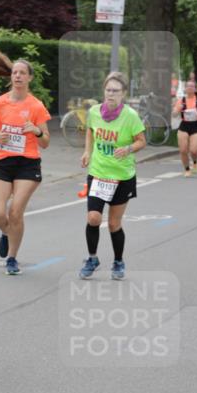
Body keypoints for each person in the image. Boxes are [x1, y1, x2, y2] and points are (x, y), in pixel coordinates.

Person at [0, 49, 50, 275]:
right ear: (10, 77)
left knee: (15, 212)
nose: (18, 76)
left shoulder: (36, 106)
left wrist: (37, 132)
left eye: (22, 73)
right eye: (14, 73)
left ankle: (11, 258)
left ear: (30, 78)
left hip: (27, 165)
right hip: (1, 162)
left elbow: (46, 142)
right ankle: (5, 232)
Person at [79, 71, 146, 281]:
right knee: (93, 218)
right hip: (99, 173)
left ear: (123, 94)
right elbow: (90, 130)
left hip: (122, 176)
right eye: (108, 90)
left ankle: (118, 261)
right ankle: (92, 258)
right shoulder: (95, 112)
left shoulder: (131, 116)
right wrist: (87, 151)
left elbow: (141, 141)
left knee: (114, 223)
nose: (111, 94)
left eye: (116, 91)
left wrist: (128, 149)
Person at [173, 79, 197, 175]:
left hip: (196, 126)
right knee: (183, 150)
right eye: (188, 86)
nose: (190, 88)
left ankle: (195, 163)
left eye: (192, 86)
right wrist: (176, 111)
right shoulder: (181, 100)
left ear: (195, 89)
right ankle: (187, 169)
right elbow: (175, 113)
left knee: (194, 150)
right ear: (185, 88)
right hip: (184, 125)